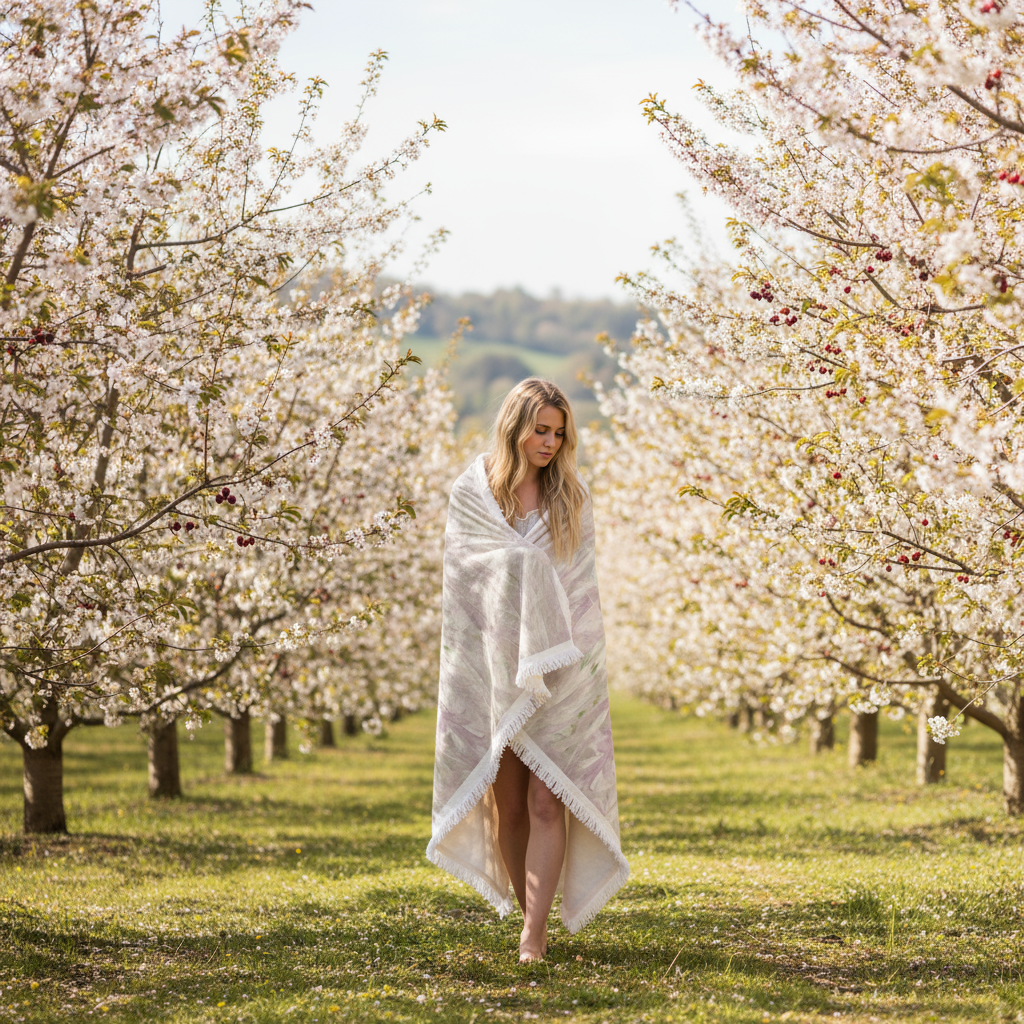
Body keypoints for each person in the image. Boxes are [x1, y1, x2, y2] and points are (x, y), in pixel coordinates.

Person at [426, 378, 629, 962]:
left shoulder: (571, 498)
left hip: (561, 669)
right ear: (514, 426)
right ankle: (526, 910)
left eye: (559, 434)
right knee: (509, 805)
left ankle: (533, 936)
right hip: (495, 664)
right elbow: (464, 582)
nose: (549, 443)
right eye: (540, 430)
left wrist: (570, 661)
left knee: (547, 801)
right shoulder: (473, 493)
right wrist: (518, 564)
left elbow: (581, 594)